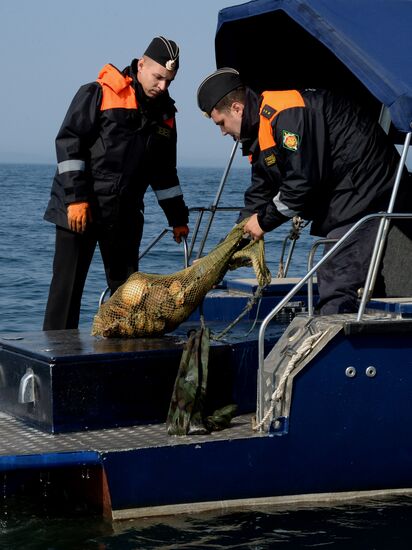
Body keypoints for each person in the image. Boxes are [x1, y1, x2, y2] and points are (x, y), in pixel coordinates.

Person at [196, 67, 412, 314]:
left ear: (237, 108)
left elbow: (302, 183)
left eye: (221, 123)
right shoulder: (261, 131)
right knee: (349, 274)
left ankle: (334, 339)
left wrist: (264, 222)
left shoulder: (285, 113)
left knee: (337, 274)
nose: (223, 131)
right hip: (347, 193)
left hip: (367, 187)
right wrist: (220, 259)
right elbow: (259, 193)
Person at [43, 37, 189, 330]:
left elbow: (164, 173)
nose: (162, 86)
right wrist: (75, 200)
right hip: (80, 207)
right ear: (141, 64)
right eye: (158, 77)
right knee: (67, 289)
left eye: (169, 81)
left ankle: (122, 354)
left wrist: (177, 218)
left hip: (124, 212)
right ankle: (54, 356)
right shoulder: (97, 93)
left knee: (128, 294)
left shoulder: (165, 116)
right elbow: (69, 144)